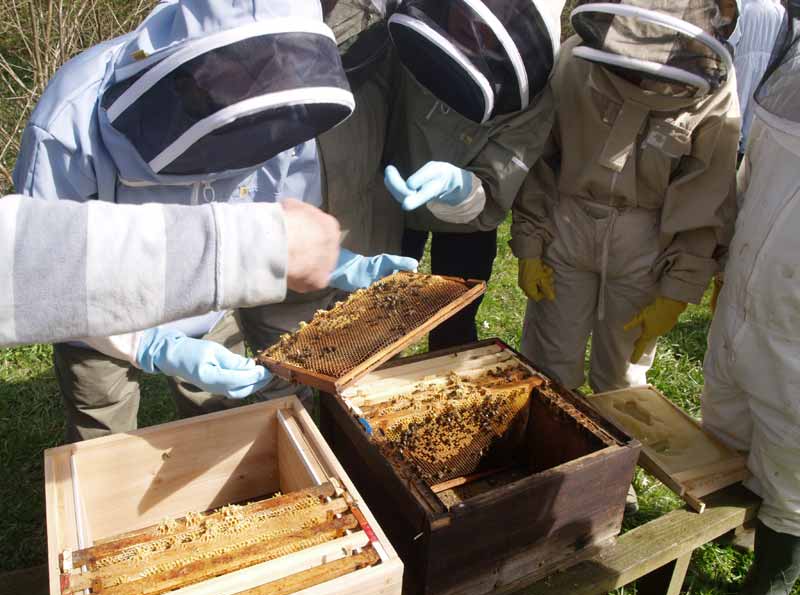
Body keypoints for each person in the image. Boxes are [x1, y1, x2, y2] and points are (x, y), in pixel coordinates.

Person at [13, 0, 415, 441]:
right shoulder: (67, 122)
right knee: (100, 418)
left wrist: (326, 258)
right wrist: (149, 344)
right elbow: (44, 267)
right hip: (91, 301)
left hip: (210, 290)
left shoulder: (281, 101)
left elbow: (284, 202)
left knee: (218, 411)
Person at [511, 0, 741, 394]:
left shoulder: (711, 85)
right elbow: (540, 158)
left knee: (622, 381)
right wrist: (530, 242)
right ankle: (545, 453)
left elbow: (708, 192)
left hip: (646, 241)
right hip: (568, 225)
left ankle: (611, 457)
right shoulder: (575, 60)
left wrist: (677, 291)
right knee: (546, 367)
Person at [381, 0, 563, 350]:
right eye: (468, 7)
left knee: (455, 319)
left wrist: (462, 190)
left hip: (468, 227)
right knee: (379, 313)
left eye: (493, 18)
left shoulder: (534, 96)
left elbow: (500, 178)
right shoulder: (401, 41)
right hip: (389, 202)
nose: (474, 23)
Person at [703, 4, 800, 595]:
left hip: (795, 326)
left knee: (792, 459)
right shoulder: (791, 56)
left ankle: (773, 576)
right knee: (725, 424)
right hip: (742, 292)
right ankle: (723, 529)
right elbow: (752, 168)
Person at [0, 195, 340, 347]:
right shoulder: (67, 122)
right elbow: (41, 257)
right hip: (89, 332)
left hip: (200, 305)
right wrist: (257, 246)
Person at [729, 0, 785, 154]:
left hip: (744, 60)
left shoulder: (746, 7)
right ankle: (747, 145)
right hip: (767, 64)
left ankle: (732, 142)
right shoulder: (780, 11)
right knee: (755, 106)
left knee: (739, 101)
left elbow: (733, 39)